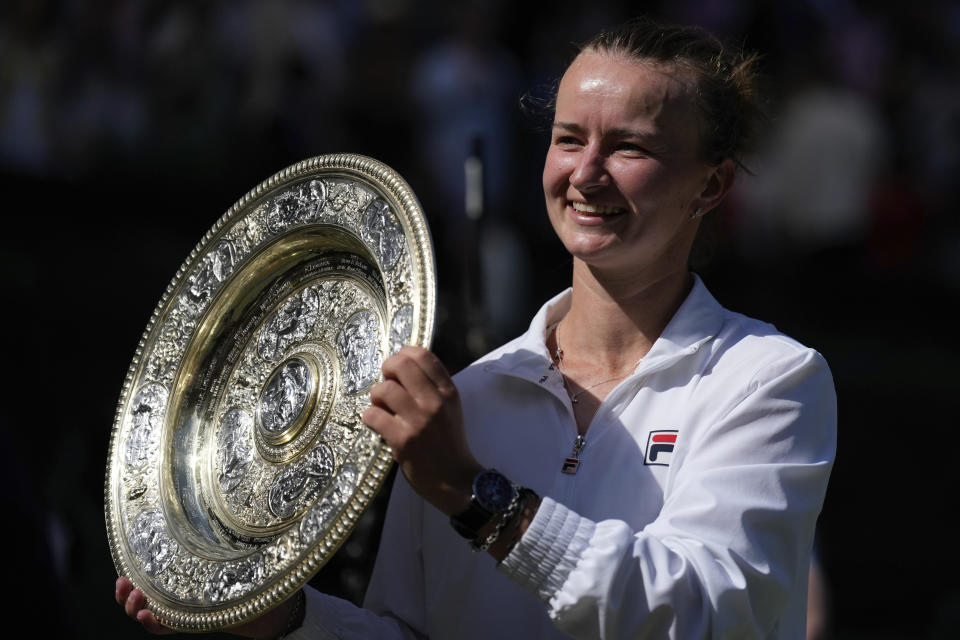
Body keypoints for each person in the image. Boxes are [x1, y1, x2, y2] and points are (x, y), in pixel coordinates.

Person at [117, 17, 836, 639]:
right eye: (568, 139)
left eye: (629, 148)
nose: (586, 173)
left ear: (711, 186)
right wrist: (282, 623)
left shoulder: (769, 379)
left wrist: (476, 496)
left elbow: (701, 617)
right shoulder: (470, 396)